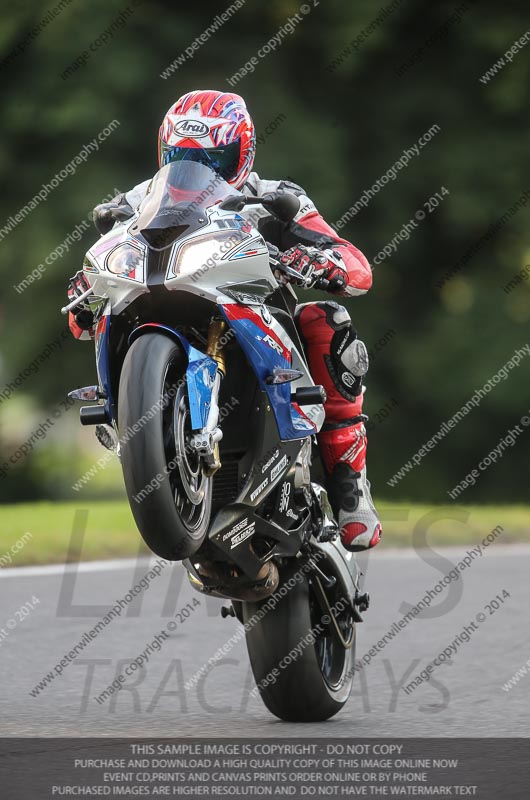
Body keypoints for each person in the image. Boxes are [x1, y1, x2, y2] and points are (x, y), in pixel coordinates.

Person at [67, 90, 382, 552]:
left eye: (213, 158)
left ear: (243, 153)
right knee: (108, 312)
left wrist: (317, 263)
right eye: (182, 156)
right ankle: (156, 436)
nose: (197, 169)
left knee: (327, 320)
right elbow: (82, 315)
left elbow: (357, 268)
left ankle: (350, 487)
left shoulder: (276, 197)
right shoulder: (137, 203)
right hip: (171, 296)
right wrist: (86, 292)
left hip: (255, 318)